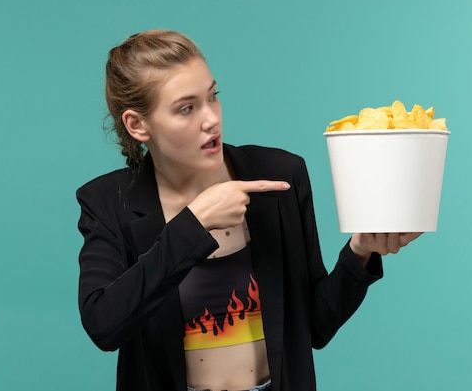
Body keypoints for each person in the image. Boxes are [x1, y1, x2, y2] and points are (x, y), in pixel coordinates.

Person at [76, 29, 422, 391]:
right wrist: (193, 226)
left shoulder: (280, 178)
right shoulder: (108, 202)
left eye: (213, 97)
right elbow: (104, 325)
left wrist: (360, 252)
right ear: (138, 124)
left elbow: (315, 327)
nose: (210, 119)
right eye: (186, 108)